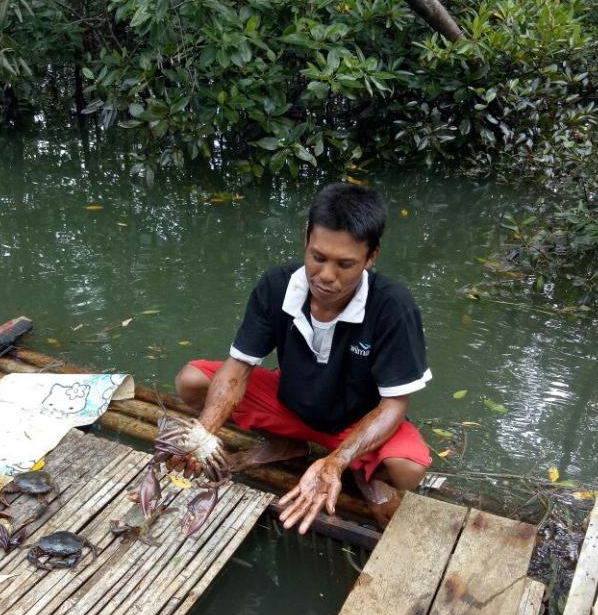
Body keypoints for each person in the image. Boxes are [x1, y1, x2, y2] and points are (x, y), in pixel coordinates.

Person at [173, 182, 432, 532]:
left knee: (408, 468)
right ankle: (286, 444)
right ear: (306, 238)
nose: (326, 276)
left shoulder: (393, 307)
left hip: (353, 423)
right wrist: (202, 435)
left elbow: (395, 404)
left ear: (371, 257)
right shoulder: (277, 284)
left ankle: (358, 469)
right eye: (318, 257)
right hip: (290, 403)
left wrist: (335, 463)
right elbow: (239, 367)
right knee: (192, 381)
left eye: (345, 264)